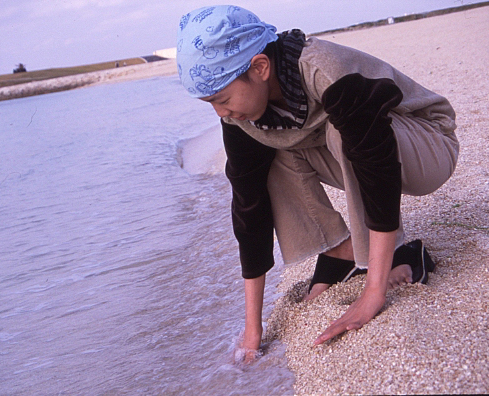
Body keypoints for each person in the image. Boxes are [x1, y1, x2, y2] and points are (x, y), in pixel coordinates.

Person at [176, 5, 459, 362]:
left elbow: (377, 164)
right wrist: (253, 327)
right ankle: (340, 252)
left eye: (222, 99)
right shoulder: (241, 116)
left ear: (260, 67)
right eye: (210, 104)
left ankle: (381, 262)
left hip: (428, 145)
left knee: (344, 132)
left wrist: (373, 293)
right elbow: (249, 206)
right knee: (266, 149)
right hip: (367, 153)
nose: (220, 113)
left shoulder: (323, 69)